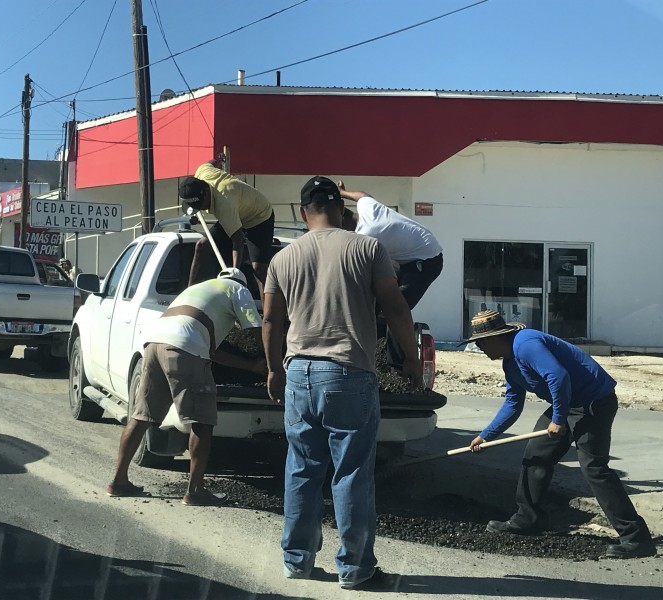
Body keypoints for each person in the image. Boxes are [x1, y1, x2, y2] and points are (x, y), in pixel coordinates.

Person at [262, 176, 422, 589]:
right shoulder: (367, 248)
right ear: (340, 209)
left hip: (298, 371)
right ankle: (355, 568)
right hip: (348, 371)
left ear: (303, 212)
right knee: (350, 473)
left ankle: (297, 560)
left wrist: (274, 369)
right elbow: (397, 308)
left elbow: (269, 320)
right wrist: (411, 360)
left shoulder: (283, 258)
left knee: (301, 468)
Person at [465, 309, 657, 559]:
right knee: (536, 454)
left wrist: (558, 419)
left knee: (594, 468)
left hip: (592, 402)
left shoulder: (526, 344)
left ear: (494, 338)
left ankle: (636, 538)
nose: (480, 349)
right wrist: (487, 436)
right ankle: (528, 518)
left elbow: (558, 376)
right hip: (567, 403)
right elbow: (513, 403)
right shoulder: (510, 362)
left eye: (480, 344)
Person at [108, 268, 266, 506]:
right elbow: (255, 330)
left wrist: (250, 366)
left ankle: (118, 482)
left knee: (141, 416)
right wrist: (272, 362)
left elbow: (213, 352)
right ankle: (195, 491)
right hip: (184, 349)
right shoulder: (239, 289)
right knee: (201, 422)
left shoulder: (198, 290)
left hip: (154, 345)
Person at [179, 158, 275, 301]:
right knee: (202, 245)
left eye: (201, 204)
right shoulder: (203, 172)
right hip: (238, 211)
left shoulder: (224, 204)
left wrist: (234, 274)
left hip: (259, 217)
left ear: (206, 192)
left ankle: (269, 318)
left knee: (259, 270)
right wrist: (219, 160)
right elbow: (211, 164)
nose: (202, 209)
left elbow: (238, 239)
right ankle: (188, 295)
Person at [337, 181, 443, 311]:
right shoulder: (366, 207)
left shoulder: (366, 235)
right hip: (415, 249)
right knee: (378, 297)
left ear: (343, 222)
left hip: (427, 260)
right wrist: (343, 193)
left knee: (395, 309)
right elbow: (362, 195)